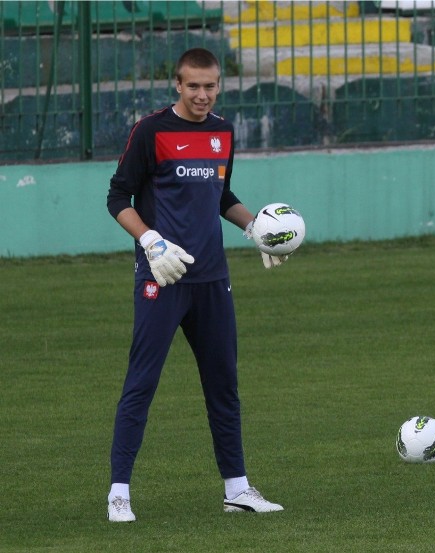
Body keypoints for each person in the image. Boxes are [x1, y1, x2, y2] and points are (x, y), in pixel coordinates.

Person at [105, 47, 286, 522]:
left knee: (223, 385)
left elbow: (221, 194)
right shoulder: (151, 130)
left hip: (212, 280)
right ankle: (119, 491)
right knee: (141, 384)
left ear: (218, 86)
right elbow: (117, 196)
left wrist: (254, 229)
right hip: (163, 277)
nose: (202, 95)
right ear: (178, 87)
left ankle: (238, 489)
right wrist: (149, 241)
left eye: (210, 86)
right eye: (193, 86)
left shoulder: (223, 132)